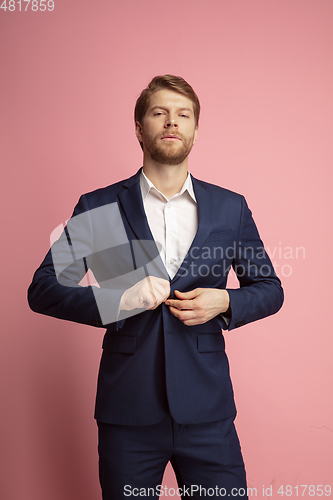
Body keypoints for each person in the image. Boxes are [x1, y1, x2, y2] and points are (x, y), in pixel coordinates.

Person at [28, 75, 284, 499]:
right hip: (127, 413)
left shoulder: (229, 208)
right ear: (139, 127)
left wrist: (225, 301)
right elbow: (43, 288)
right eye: (159, 113)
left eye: (183, 115)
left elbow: (270, 288)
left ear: (196, 130)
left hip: (208, 415)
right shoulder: (101, 206)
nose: (172, 122)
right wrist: (119, 300)